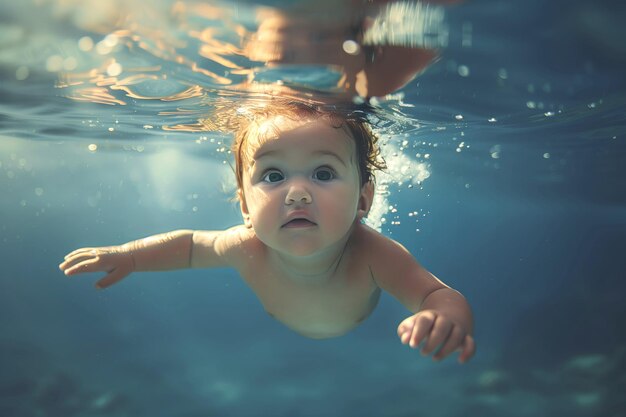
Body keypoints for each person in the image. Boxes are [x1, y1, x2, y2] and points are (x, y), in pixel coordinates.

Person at [59, 100, 475, 364]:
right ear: (243, 205)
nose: (297, 193)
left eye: (323, 173)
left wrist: (442, 315)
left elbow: (438, 294)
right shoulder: (245, 246)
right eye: (273, 175)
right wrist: (131, 255)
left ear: (364, 200)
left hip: (353, 323)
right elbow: (188, 246)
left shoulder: (373, 253)